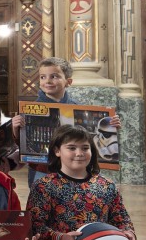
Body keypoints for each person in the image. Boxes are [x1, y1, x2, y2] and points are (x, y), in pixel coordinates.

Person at [12, 57, 122, 188]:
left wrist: (112, 126)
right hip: (42, 170)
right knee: (42, 203)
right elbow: (22, 143)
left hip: (74, 169)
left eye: (54, 76)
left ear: (68, 82)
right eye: (42, 77)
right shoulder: (30, 110)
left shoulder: (79, 108)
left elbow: (89, 139)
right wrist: (15, 127)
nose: (47, 81)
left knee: (73, 203)